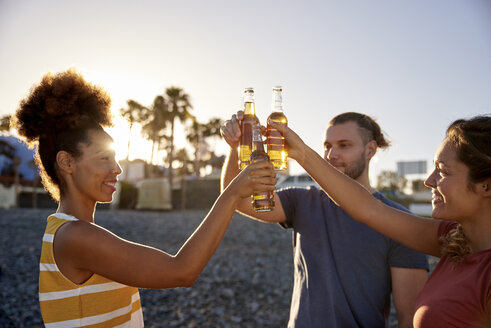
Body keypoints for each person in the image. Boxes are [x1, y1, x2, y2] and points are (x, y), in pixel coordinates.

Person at [12, 69, 277, 327]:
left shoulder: (67, 231)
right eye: (104, 158)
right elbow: (181, 271)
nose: (117, 169)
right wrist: (231, 194)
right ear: (66, 162)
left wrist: (233, 152)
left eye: (115, 158)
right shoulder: (75, 236)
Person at [269, 114, 491, 327]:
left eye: (442, 171)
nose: (428, 181)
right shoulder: (451, 238)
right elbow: (368, 208)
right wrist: (301, 154)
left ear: (487, 185)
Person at [221, 111, 429, 328]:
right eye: (327, 146)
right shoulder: (302, 200)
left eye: (344, 145)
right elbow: (237, 200)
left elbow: (410, 318)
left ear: (370, 150)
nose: (331, 154)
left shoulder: (401, 223)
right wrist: (236, 147)